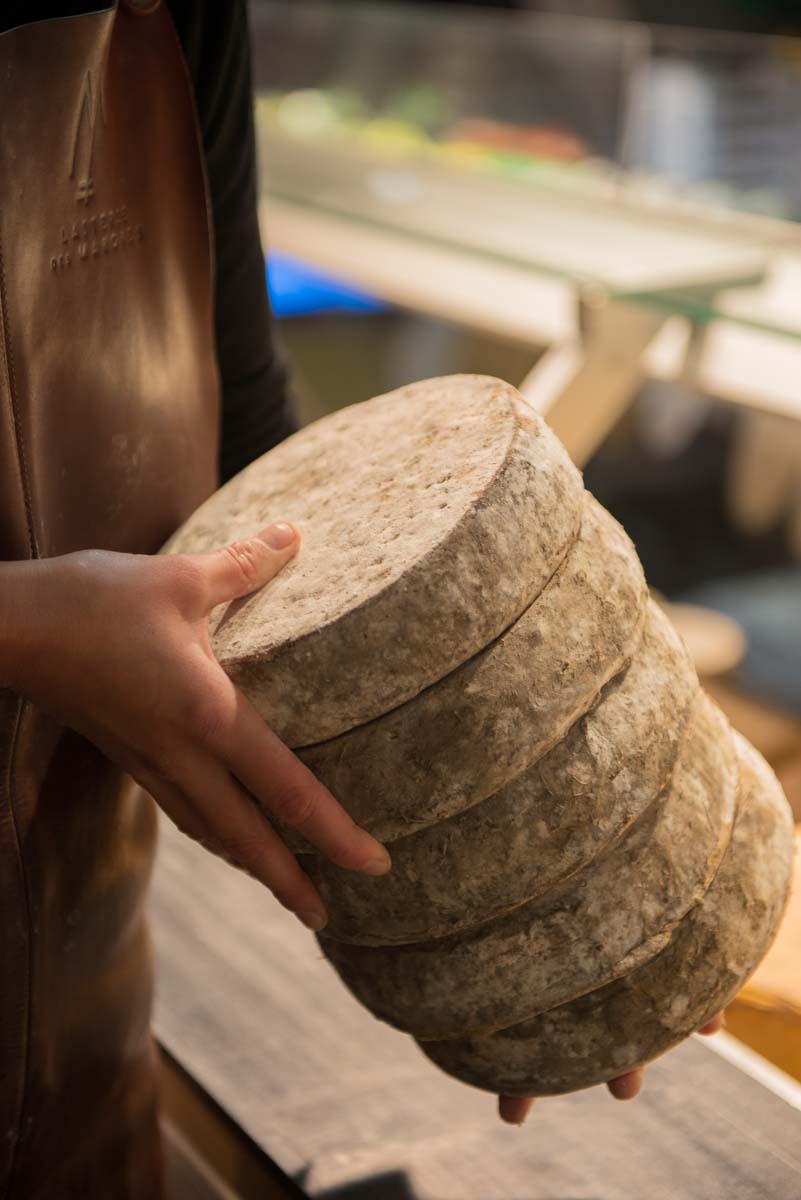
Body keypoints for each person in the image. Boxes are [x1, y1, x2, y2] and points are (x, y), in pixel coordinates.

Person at [0, 3, 721, 1196]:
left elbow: (250, 447)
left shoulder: (182, 19)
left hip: (81, 1002)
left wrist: (548, 858)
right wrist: (24, 628)